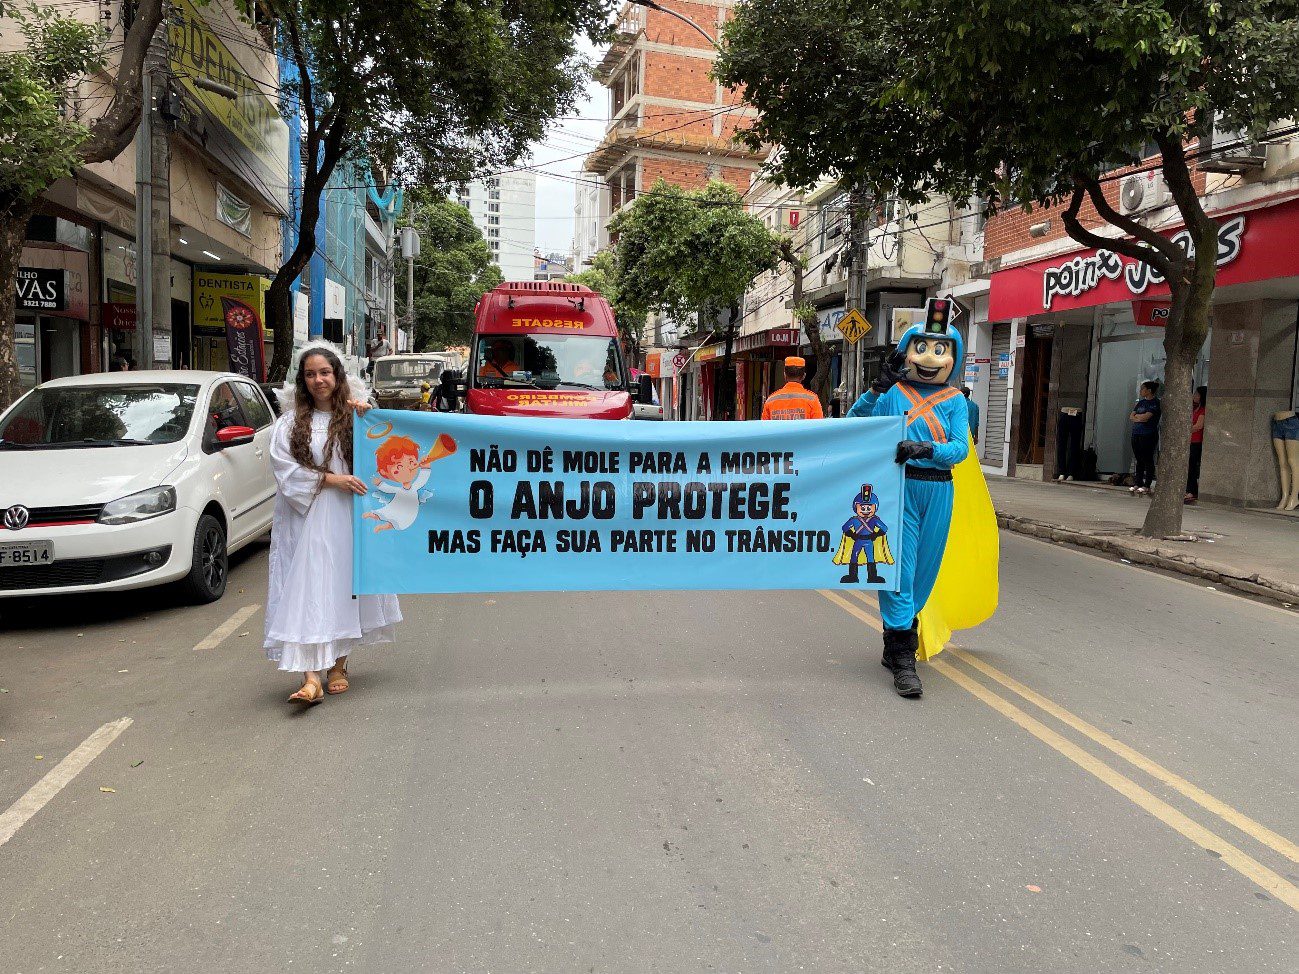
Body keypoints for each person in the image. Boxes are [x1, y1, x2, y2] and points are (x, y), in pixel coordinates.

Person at [264, 345, 401, 704]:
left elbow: (385, 457)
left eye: (325, 372)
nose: (318, 380)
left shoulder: (357, 418)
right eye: (310, 374)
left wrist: (368, 419)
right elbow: (285, 470)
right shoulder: (289, 424)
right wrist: (331, 480)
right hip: (304, 518)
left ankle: (338, 665)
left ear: (338, 376)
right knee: (306, 588)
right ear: (302, 380)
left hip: (346, 516)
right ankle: (310, 676)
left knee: (343, 585)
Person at [847, 324, 969, 698]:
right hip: (898, 490)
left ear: (954, 357)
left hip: (939, 491)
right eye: (921, 347)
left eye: (940, 349)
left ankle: (895, 639)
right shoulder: (893, 393)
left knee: (923, 575)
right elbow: (854, 426)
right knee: (899, 569)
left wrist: (928, 449)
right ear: (905, 351)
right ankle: (903, 657)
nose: (929, 358)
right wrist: (875, 391)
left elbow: (960, 449)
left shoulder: (956, 401)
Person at [1129, 380, 1161, 495]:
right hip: (1136, 433)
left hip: (1148, 434)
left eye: (1143, 388)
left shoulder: (1155, 403)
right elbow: (1131, 416)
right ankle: (1138, 482)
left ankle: (1147, 485)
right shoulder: (1141, 402)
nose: (1141, 391)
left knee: (1147, 458)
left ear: (1149, 390)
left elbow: (1146, 417)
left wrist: (1139, 417)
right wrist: (1139, 418)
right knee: (1139, 459)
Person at [1185, 386, 1207, 503]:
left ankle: (1192, 491)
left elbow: (1198, 426)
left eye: (1197, 394)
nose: (1194, 396)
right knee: (1189, 466)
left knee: (1192, 467)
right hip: (1190, 440)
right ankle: (1189, 489)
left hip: (1196, 442)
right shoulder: (1195, 409)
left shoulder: (1203, 410)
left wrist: (1186, 430)